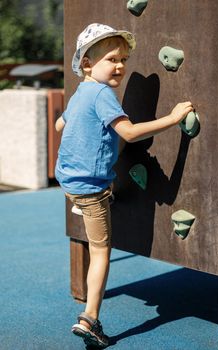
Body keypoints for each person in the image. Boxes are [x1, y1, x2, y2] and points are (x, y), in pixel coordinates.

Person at [55, 23, 193, 348]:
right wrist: (173, 118)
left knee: (110, 144)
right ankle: (89, 318)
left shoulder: (81, 92)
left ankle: (86, 199)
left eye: (124, 59)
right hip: (90, 185)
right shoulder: (103, 94)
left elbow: (62, 123)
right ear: (88, 63)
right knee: (101, 251)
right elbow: (130, 133)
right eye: (112, 59)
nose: (120, 66)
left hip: (67, 177)